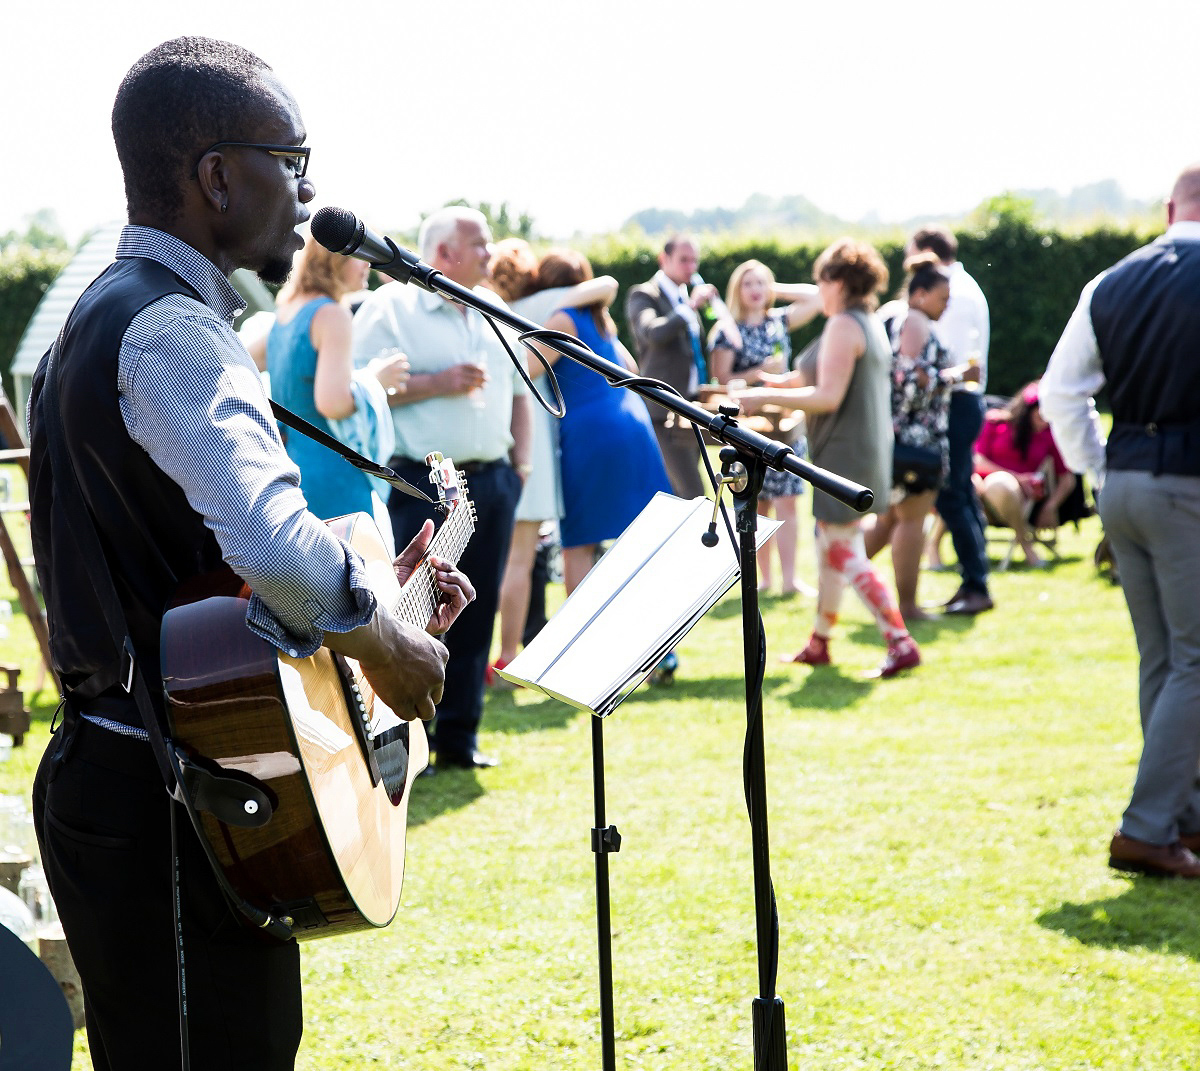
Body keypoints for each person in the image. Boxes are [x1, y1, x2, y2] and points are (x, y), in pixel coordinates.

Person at [26, 37, 473, 1071]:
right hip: (167, 801)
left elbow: (207, 589)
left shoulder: (112, 315)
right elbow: (273, 545)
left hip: (163, 778)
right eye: (293, 158)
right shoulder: (171, 331)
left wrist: (378, 606)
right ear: (217, 175)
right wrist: (385, 647)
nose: (309, 192)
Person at [1040, 163, 1200, 878]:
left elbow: (1059, 391)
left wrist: (1100, 469)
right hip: (1186, 486)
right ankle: (1146, 826)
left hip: (1126, 480)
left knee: (1165, 660)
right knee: (1193, 660)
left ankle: (1180, 817)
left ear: (1170, 207)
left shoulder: (1110, 280)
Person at [352, 206, 532, 770]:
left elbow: (520, 391)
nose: (490, 253)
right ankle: (408, 746)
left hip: (492, 483)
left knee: (474, 612)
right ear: (444, 253)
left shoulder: (493, 308)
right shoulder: (390, 309)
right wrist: (438, 383)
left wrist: (519, 464)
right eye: (479, 244)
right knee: (412, 612)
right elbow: (357, 393)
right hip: (424, 487)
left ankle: (460, 739)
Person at [736, 238, 920, 678]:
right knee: (830, 547)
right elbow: (809, 377)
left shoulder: (843, 325)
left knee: (843, 550)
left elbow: (826, 395)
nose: (817, 287)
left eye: (822, 278)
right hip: (862, 448)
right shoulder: (861, 320)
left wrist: (759, 396)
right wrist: (771, 384)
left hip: (844, 451)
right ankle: (820, 641)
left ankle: (899, 640)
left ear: (837, 281)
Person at [487, 239, 619, 680]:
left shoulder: (484, 311)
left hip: (498, 441)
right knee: (520, 558)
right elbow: (605, 283)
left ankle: (502, 652)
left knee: (508, 558)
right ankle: (508, 654)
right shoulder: (543, 302)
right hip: (533, 447)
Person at [533, 250, 672, 592]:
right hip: (633, 422)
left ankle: (582, 636)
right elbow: (631, 369)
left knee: (578, 542)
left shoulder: (561, 319)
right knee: (642, 535)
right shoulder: (600, 319)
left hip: (590, 432)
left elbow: (529, 367)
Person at [259, 234, 409, 544]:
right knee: (359, 579)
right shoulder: (331, 315)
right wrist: (375, 380)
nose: (369, 262)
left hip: (295, 467)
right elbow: (332, 403)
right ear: (334, 259)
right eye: (361, 254)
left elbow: (245, 358)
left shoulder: (288, 308)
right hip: (334, 475)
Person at [707, 259, 822, 596]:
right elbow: (721, 381)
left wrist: (777, 289)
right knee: (759, 504)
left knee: (788, 500)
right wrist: (759, 371)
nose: (756, 291)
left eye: (761, 284)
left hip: (785, 422)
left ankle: (790, 580)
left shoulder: (779, 321)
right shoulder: (727, 332)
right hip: (750, 428)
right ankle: (764, 579)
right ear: (737, 290)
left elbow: (816, 298)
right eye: (748, 284)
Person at [908, 226, 993, 615]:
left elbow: (946, 362)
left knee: (951, 494)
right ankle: (975, 579)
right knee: (961, 492)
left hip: (954, 403)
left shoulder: (952, 293)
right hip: (963, 402)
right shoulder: (966, 285)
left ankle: (976, 583)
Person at [865, 253, 955, 621]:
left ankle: (834, 577)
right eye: (942, 298)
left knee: (889, 520)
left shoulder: (901, 317)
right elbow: (907, 379)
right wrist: (952, 377)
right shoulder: (915, 321)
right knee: (910, 519)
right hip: (915, 440)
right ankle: (908, 606)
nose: (945, 307)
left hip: (900, 436)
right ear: (919, 294)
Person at [625, 234, 718, 499]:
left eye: (695, 261)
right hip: (663, 409)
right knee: (692, 491)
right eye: (684, 260)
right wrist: (690, 307)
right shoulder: (644, 293)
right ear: (663, 259)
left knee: (680, 492)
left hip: (692, 406)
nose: (691, 268)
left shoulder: (682, 295)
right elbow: (652, 333)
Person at [972, 380, 1075, 567]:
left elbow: (1067, 478)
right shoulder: (995, 423)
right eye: (1040, 413)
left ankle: (1024, 543)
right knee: (963, 484)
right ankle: (933, 548)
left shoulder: (1048, 435)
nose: (1045, 419)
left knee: (1001, 484)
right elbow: (977, 460)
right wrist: (1016, 476)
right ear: (1026, 410)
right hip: (980, 492)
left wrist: (1051, 506)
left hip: (1020, 497)